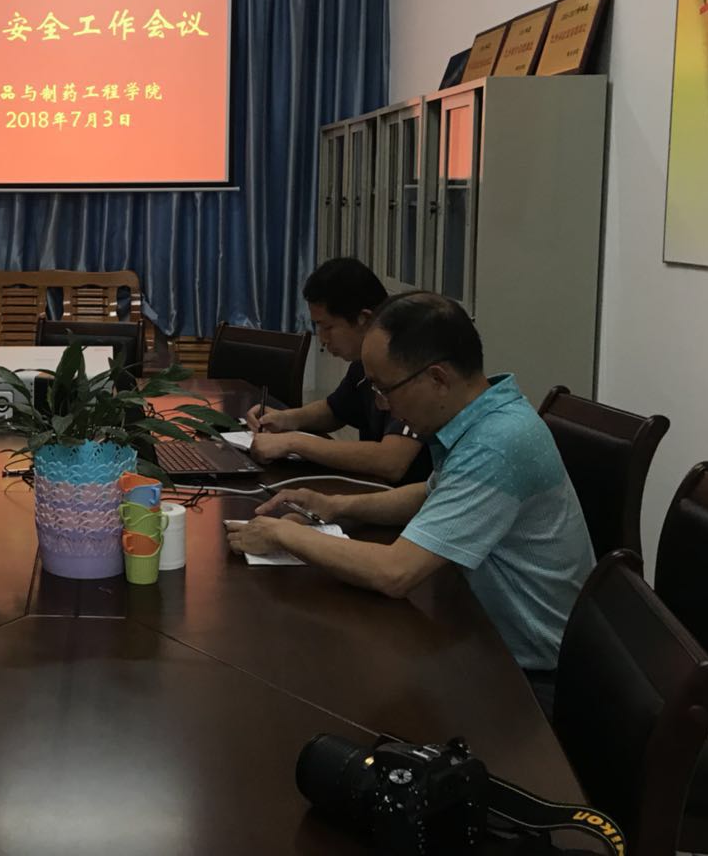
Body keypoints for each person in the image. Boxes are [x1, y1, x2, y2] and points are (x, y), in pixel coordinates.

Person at [226, 291, 594, 698]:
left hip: (527, 678)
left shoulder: (497, 443)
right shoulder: (486, 414)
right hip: (475, 634)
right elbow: (431, 493)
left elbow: (394, 572)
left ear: (437, 379)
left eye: (386, 389)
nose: (383, 406)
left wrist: (282, 534)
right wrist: (334, 506)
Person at [245, 258, 429, 485]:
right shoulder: (363, 363)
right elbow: (336, 409)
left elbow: (392, 461)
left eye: (328, 327)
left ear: (364, 319)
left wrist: (295, 442)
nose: (323, 339)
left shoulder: (408, 364)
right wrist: (286, 419)